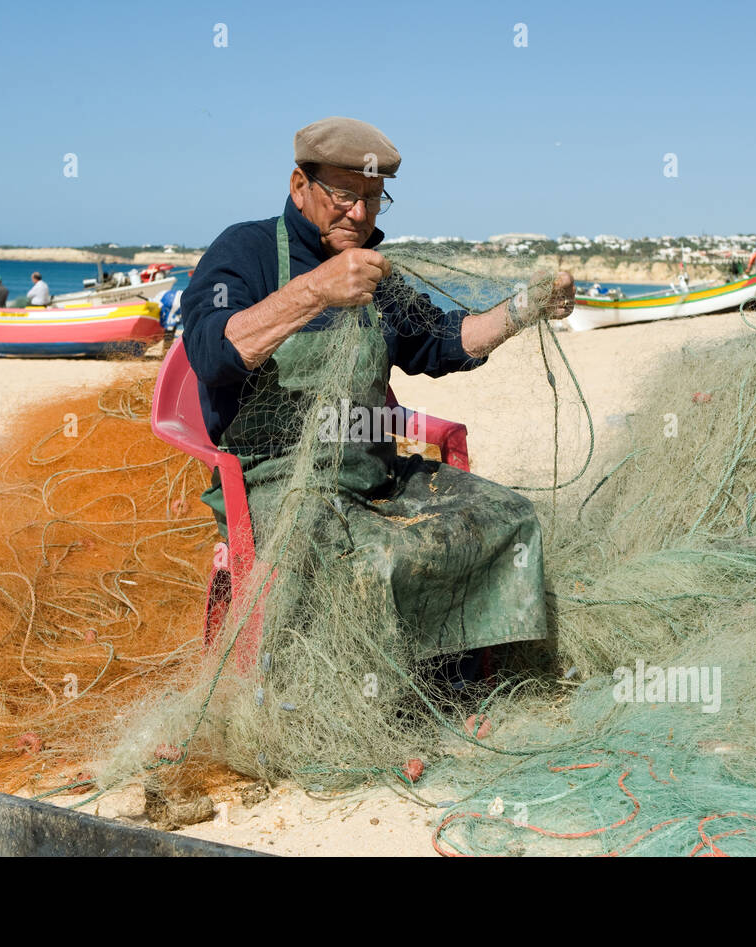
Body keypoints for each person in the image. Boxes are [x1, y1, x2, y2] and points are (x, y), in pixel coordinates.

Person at [181, 116, 575, 673]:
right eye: (345, 195)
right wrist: (315, 290)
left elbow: (440, 343)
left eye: (373, 199)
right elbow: (211, 352)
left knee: (509, 517)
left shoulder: (376, 274)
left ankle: (463, 673)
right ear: (300, 186)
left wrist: (522, 310)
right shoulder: (244, 252)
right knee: (368, 556)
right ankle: (326, 695)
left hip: (373, 470)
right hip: (277, 480)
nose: (360, 215)